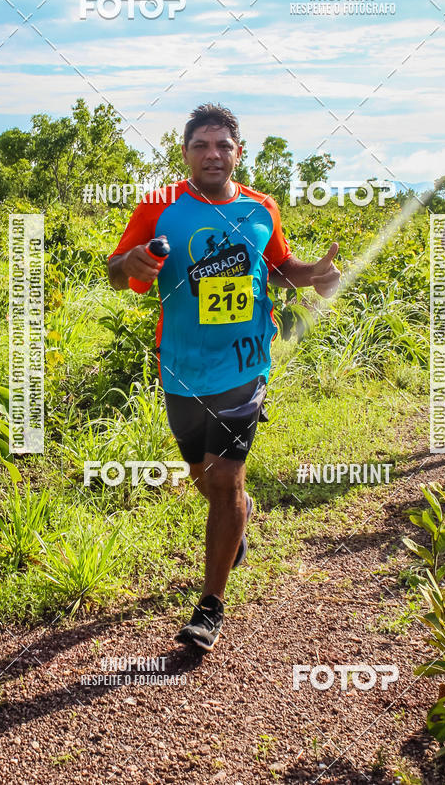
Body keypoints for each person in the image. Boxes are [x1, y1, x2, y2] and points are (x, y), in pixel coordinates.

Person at [108, 103, 341, 650]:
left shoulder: (263, 208)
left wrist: (317, 276)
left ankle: (209, 606)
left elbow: (279, 269)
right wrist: (134, 263)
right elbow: (117, 270)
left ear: (239, 152)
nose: (212, 155)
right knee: (202, 477)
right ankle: (236, 515)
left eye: (222, 146)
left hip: (244, 365)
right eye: (200, 146)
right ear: (185, 152)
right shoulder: (160, 206)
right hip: (182, 367)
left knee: (226, 478)